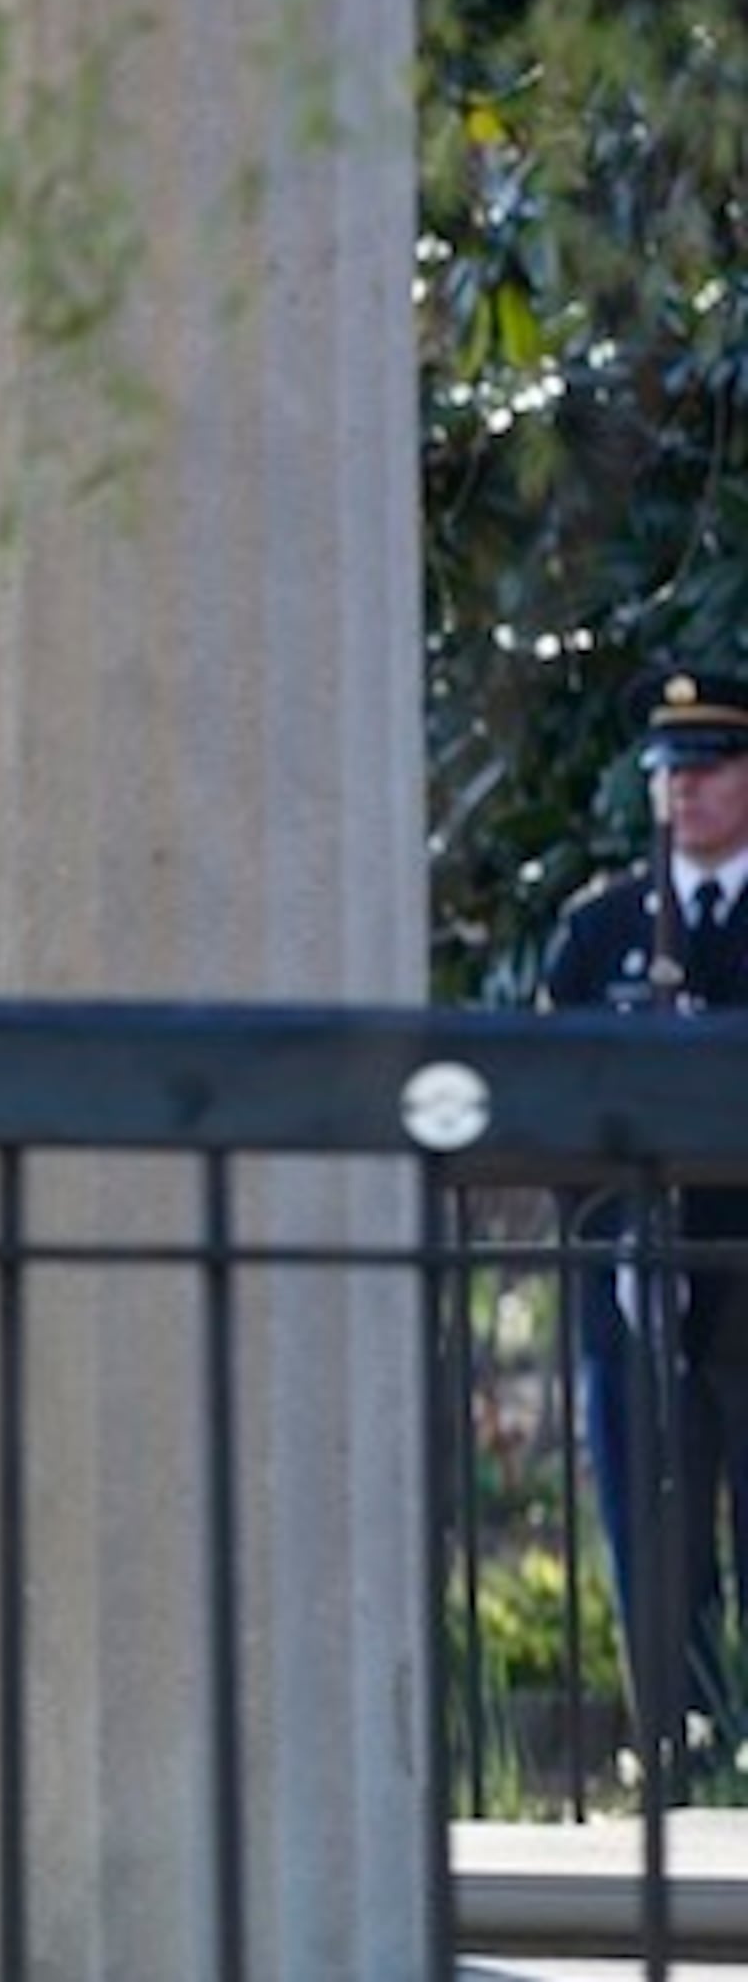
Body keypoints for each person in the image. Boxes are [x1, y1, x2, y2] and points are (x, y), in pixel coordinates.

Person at [539, 664, 748, 1763]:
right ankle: (677, 1736)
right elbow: (550, 1101)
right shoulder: (600, 927)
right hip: (633, 1275)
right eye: (672, 771)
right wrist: (617, 1234)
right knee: (648, 1518)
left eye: (711, 769)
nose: (688, 792)